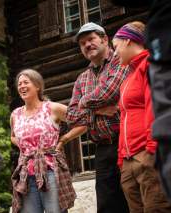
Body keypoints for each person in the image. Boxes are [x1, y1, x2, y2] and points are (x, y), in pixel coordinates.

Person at [59, 22, 129, 213]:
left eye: (91, 39)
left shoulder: (120, 60)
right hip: (102, 150)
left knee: (133, 200)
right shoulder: (82, 79)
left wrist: (83, 102)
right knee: (107, 206)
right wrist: (96, 110)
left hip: (126, 142)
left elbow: (109, 92)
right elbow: (71, 117)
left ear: (105, 39)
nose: (87, 45)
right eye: (82, 43)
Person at [112, 0, 171, 200]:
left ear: (128, 41)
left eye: (116, 46)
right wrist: (121, 158)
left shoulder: (148, 65)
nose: (114, 52)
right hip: (128, 162)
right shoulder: (127, 78)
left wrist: (152, 149)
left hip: (146, 154)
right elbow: (124, 118)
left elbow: (153, 107)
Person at [10, 69, 76, 213]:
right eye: (19, 84)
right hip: (26, 173)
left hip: (50, 170)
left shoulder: (52, 108)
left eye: (26, 82)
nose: (21, 86)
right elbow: (13, 136)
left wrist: (64, 139)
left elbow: (82, 120)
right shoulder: (16, 114)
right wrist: (24, 146)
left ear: (37, 85)